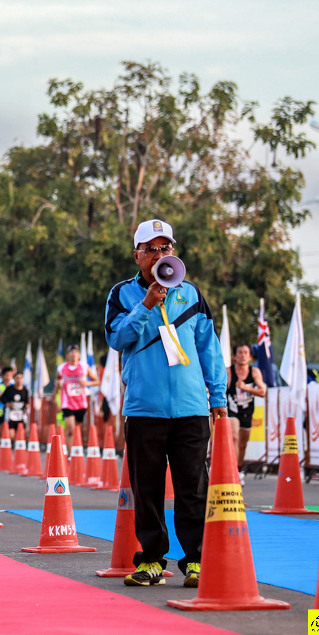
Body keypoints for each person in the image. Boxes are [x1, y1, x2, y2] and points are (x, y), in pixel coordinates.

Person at [105, 218, 227, 588]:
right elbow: (117, 339)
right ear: (137, 255)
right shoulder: (121, 294)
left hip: (192, 409)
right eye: (151, 249)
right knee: (148, 490)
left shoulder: (191, 294)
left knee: (193, 488)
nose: (160, 255)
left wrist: (218, 395)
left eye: (166, 248)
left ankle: (197, 560)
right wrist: (146, 304)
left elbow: (209, 348)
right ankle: (151, 560)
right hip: (144, 409)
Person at [226, 344, 267, 485]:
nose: (243, 355)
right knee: (234, 437)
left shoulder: (254, 372)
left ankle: (238, 469)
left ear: (250, 357)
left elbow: (262, 391)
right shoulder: (229, 371)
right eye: (240, 352)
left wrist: (245, 388)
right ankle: (232, 471)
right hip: (232, 409)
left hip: (247, 412)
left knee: (243, 443)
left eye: (245, 353)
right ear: (234, 356)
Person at [56, 345, 99, 448]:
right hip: (67, 403)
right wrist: (57, 384)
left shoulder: (84, 367)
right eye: (71, 352)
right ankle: (70, 454)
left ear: (79, 355)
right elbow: (57, 379)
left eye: (75, 352)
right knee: (71, 429)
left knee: (77, 429)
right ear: (67, 355)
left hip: (81, 403)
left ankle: (76, 451)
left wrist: (87, 383)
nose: (73, 354)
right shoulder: (61, 368)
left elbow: (97, 381)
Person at [0, 371, 30, 439]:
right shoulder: (9, 389)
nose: (19, 380)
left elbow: (27, 402)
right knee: (11, 435)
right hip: (11, 415)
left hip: (21, 415)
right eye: (17, 378)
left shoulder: (25, 391)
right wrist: (7, 404)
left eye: (21, 378)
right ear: (14, 379)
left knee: (21, 435)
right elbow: (2, 399)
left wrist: (26, 406)